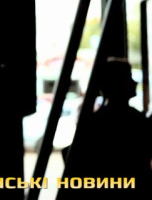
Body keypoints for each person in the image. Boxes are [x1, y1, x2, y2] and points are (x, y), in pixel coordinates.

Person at [61, 59, 152, 200]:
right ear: (117, 84)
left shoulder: (96, 120)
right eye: (129, 77)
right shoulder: (131, 119)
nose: (134, 82)